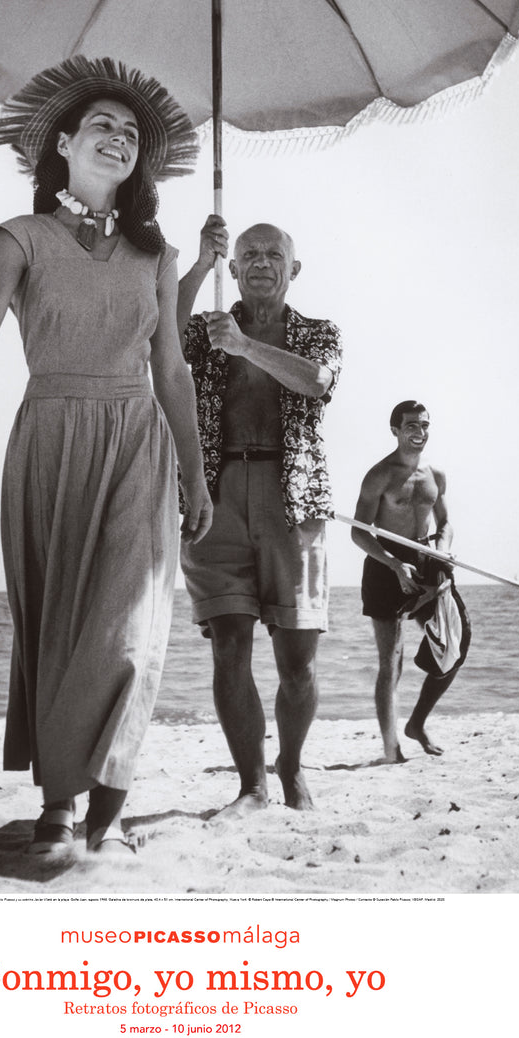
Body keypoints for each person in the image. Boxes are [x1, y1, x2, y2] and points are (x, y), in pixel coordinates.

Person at [0, 56, 212, 858]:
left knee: (131, 626)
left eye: (131, 133)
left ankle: (114, 787)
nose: (118, 138)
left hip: (136, 439)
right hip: (51, 435)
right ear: (62, 143)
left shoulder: (157, 257)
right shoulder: (19, 237)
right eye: (102, 124)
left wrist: (195, 471)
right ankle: (60, 800)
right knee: (59, 624)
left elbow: (171, 369)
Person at [177, 215, 343, 815]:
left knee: (298, 660)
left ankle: (291, 765)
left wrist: (245, 346)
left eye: (274, 255)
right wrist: (198, 265)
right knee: (228, 645)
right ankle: (251, 784)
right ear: (235, 267)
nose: (261, 263)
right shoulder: (209, 328)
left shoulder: (319, 332)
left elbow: (318, 383)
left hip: (292, 497)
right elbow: (158, 336)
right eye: (248, 255)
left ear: (293, 268)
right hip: (215, 494)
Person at [352, 400, 470, 763]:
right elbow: (359, 533)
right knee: (392, 661)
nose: (419, 433)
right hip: (385, 563)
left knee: (456, 645)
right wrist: (392, 563)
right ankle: (391, 750)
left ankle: (416, 723)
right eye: (411, 427)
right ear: (395, 430)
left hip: (427, 558)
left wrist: (443, 549)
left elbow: (445, 523)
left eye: (424, 426)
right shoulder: (380, 475)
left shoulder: (436, 475)